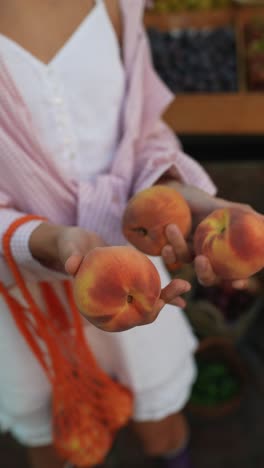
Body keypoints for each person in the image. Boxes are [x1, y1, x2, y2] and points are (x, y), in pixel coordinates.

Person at [0, 1, 253, 467]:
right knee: (57, 441)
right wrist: (49, 241)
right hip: (23, 303)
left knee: (162, 418)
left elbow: (140, 132)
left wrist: (171, 190)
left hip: (128, 267)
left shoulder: (121, 5)